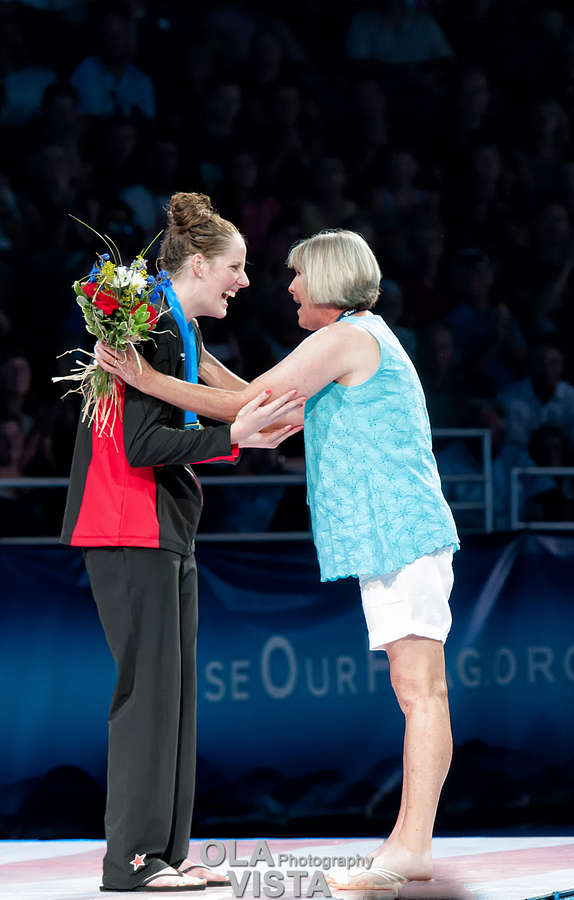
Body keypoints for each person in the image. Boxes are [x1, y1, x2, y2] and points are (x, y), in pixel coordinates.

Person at [96, 228, 460, 890]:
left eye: (296, 276)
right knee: (416, 688)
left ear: (325, 281)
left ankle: (411, 846)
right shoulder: (351, 339)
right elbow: (278, 407)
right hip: (395, 536)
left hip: (402, 532)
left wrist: (144, 377)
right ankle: (410, 844)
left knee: (420, 689)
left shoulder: (344, 337)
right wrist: (198, 361)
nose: (287, 287)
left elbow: (249, 406)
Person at [61, 192, 304, 893]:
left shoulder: (175, 327)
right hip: (129, 521)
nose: (245, 280)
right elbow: (142, 443)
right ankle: (132, 862)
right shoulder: (156, 325)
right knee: (147, 695)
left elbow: (240, 396)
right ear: (198, 263)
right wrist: (236, 438)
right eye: (236, 266)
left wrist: (255, 420)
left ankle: (163, 852)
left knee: (172, 694)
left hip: (160, 522)